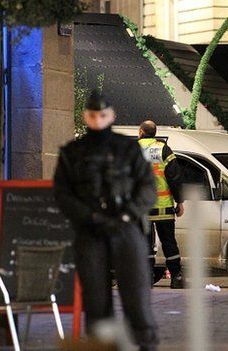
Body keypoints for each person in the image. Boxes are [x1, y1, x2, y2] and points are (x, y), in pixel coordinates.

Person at [53, 91, 158, 350]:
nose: (98, 120)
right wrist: (90, 217)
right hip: (90, 231)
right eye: (92, 115)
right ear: (85, 116)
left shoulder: (128, 149)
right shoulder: (72, 153)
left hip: (126, 227)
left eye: (102, 115)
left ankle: (145, 344)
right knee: (97, 301)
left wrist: (126, 214)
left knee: (136, 296)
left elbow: (147, 188)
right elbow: (63, 194)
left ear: (111, 116)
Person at [138, 120, 185, 289]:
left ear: (141, 132)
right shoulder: (164, 149)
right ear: (154, 132)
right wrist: (179, 201)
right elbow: (175, 178)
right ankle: (176, 278)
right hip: (164, 207)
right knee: (169, 243)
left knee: (144, 244)